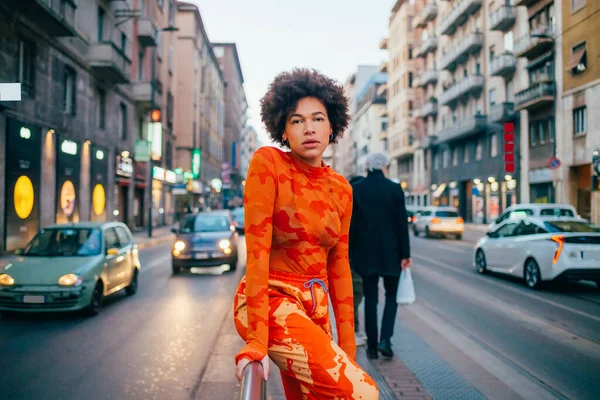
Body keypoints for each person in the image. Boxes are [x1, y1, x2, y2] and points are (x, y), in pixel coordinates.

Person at [233, 69, 378, 399]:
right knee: (362, 393)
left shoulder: (342, 189)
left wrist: (348, 353)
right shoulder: (268, 163)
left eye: (318, 118)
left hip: (316, 309)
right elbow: (255, 252)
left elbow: (339, 269)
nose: (309, 128)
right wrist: (256, 339)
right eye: (297, 120)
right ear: (283, 130)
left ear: (332, 126)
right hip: (270, 302)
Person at [350, 152, 411, 360]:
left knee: (371, 299)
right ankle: (386, 339)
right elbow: (402, 223)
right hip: (392, 254)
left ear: (367, 167)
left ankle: (372, 347)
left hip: (366, 255)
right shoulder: (394, 189)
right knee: (392, 297)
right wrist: (405, 254)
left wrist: (351, 252)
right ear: (385, 166)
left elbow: (352, 226)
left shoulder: (357, 189)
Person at [347, 175, 367, 347]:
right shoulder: (352, 206)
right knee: (355, 293)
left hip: (351, 257)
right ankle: (352, 331)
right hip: (351, 258)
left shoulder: (352, 204)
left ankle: (354, 330)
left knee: (354, 294)